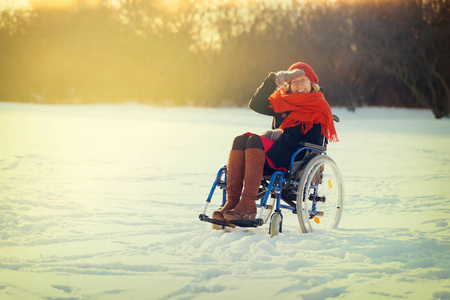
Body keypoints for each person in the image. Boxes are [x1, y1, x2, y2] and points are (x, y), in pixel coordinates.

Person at [212, 62, 339, 222]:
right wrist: (274, 79)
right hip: (273, 153)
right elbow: (255, 104)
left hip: (297, 158)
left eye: (303, 80)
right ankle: (232, 204)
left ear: (311, 83)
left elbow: (313, 142)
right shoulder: (282, 102)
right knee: (240, 140)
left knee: (256, 141)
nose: (299, 85)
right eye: (294, 81)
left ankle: (248, 205)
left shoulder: (320, 107)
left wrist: (278, 137)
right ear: (289, 85)